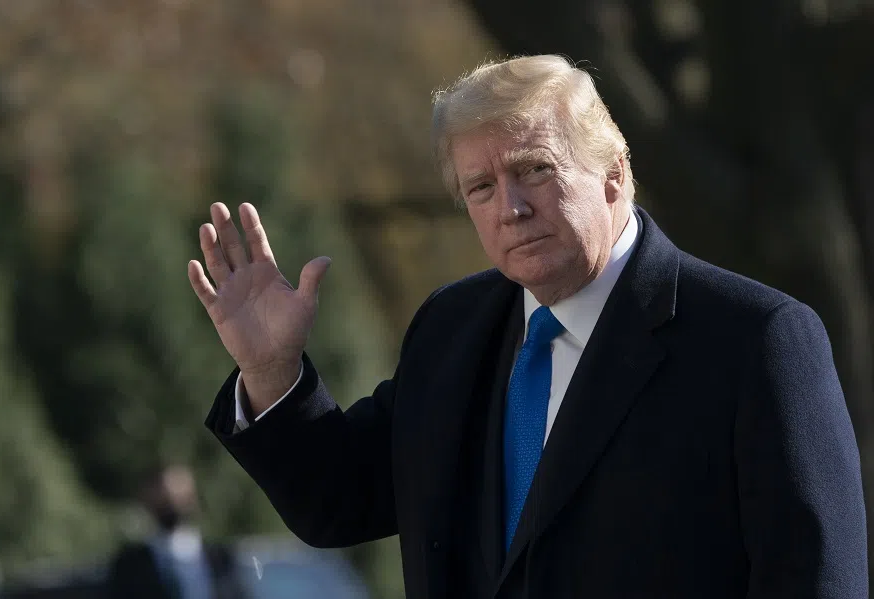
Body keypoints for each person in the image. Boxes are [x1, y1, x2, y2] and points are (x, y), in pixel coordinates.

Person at [191, 55, 868, 597]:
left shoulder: (755, 339)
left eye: (534, 170)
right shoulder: (451, 329)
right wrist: (272, 370)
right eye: (480, 188)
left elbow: (812, 578)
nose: (509, 207)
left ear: (615, 173)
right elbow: (341, 500)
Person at [106, 465, 246, 599]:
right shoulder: (129, 566)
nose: (172, 502)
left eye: (180, 495)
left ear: (193, 498)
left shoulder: (222, 558)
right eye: (164, 498)